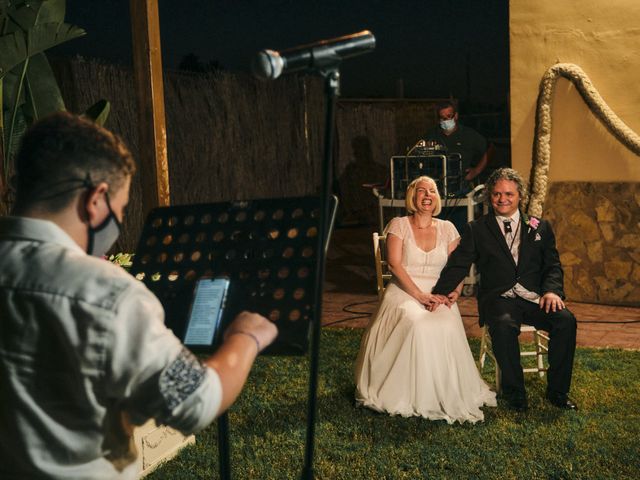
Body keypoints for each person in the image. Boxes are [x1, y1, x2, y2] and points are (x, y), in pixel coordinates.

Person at [0, 112, 278, 479]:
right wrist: (246, 337)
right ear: (95, 199)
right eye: (120, 209)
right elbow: (196, 402)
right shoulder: (106, 294)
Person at [432, 168, 578, 412]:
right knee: (503, 325)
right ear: (490, 196)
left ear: (519, 195)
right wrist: (439, 292)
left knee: (566, 321)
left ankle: (558, 392)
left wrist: (552, 291)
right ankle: (515, 394)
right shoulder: (477, 229)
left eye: (509, 194)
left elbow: (552, 265)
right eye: (497, 194)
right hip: (499, 299)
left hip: (534, 298)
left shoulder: (539, 227)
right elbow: (459, 263)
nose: (503, 199)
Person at [354, 176, 496, 424]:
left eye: (432, 190)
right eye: (422, 191)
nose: (427, 195)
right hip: (405, 289)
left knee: (445, 322)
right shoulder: (399, 224)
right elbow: (395, 265)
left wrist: (455, 290)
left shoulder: (448, 228)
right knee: (418, 322)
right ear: (412, 197)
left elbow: (458, 265)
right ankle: (410, 391)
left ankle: (443, 390)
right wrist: (419, 295)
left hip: (439, 290)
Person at [424, 100, 489, 190]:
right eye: (442, 118)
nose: (446, 120)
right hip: (436, 186)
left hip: (463, 186)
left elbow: (489, 150)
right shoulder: (431, 135)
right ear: (439, 120)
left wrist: (476, 170)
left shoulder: (468, 134)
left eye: (449, 116)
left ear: (456, 116)